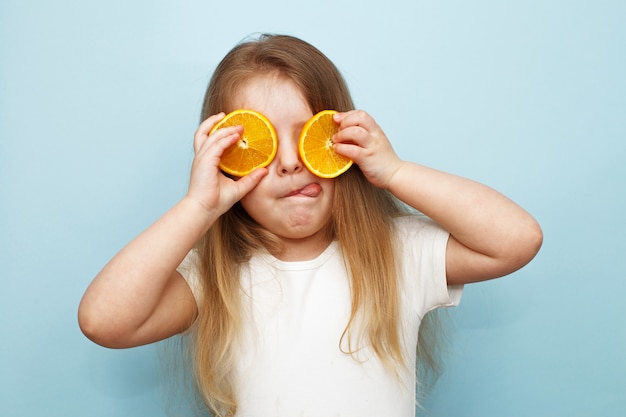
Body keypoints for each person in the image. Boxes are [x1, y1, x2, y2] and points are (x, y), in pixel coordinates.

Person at [78, 34, 542, 417]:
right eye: (257, 144)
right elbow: (104, 321)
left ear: (341, 142)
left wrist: (395, 172)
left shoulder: (395, 253)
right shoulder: (216, 278)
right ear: (227, 163)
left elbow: (516, 240)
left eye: (307, 136)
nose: (288, 163)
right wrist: (198, 206)